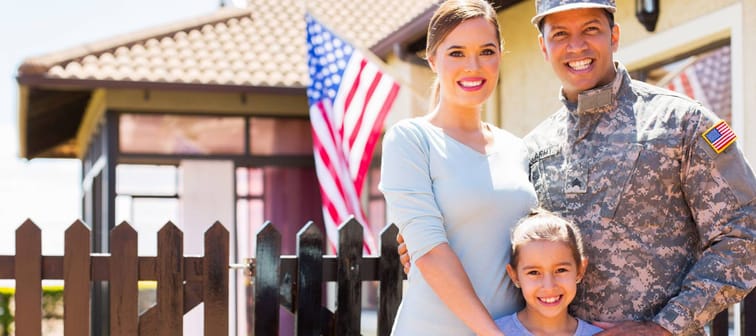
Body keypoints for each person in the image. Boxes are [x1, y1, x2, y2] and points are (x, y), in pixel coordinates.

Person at [399, 0, 756, 335]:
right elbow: (512, 240)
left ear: (614, 36)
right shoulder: (533, 148)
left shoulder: (681, 123)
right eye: (560, 35)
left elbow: (745, 235)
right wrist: (422, 244)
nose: (576, 47)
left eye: (590, 29)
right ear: (543, 47)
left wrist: (665, 326)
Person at [379, 0, 538, 334]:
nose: (473, 65)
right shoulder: (410, 140)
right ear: (433, 59)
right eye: (456, 53)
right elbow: (431, 253)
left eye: (486, 51)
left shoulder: (517, 149)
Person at [496, 208, 602, 336]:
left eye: (561, 270)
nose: (549, 286)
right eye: (534, 272)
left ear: (580, 270)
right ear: (514, 276)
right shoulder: (492, 331)